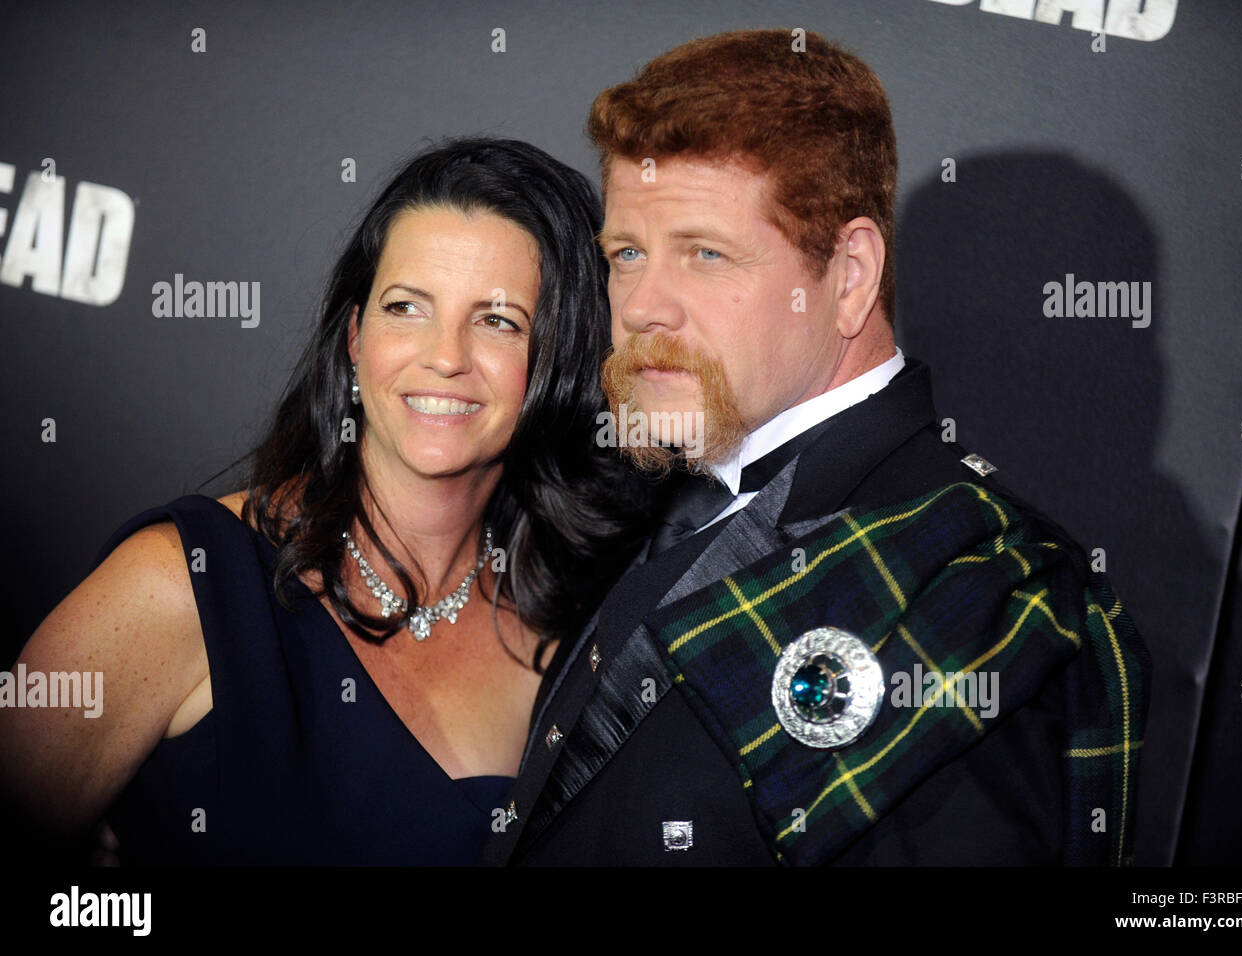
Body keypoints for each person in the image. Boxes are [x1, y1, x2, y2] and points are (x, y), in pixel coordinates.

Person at [480, 30, 1153, 866]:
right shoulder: (661, 486)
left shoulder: (985, 594)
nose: (645, 304)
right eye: (627, 254)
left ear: (851, 275)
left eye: (705, 253)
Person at [0, 137, 652, 865]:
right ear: (354, 338)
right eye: (406, 307)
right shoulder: (181, 584)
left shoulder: (570, 623)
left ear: (556, 361)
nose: (445, 356)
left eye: (498, 320)